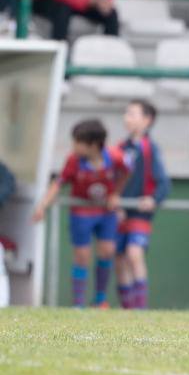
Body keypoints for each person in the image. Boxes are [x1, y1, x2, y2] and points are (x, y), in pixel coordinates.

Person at [32, 119, 129, 308]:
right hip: (82, 213)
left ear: (93, 145)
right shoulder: (73, 160)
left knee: (107, 250)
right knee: (82, 255)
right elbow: (59, 183)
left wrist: (116, 194)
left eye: (77, 142)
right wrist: (42, 205)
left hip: (106, 212)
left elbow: (126, 172)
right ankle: (78, 304)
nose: (73, 146)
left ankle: (100, 299)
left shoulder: (115, 157)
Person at [115, 100, 171, 310]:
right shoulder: (120, 148)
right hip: (120, 213)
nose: (126, 118)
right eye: (126, 113)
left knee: (134, 253)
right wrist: (115, 201)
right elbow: (113, 177)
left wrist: (154, 199)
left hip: (140, 214)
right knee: (119, 260)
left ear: (147, 120)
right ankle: (127, 308)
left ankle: (140, 308)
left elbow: (163, 182)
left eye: (132, 114)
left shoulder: (150, 149)